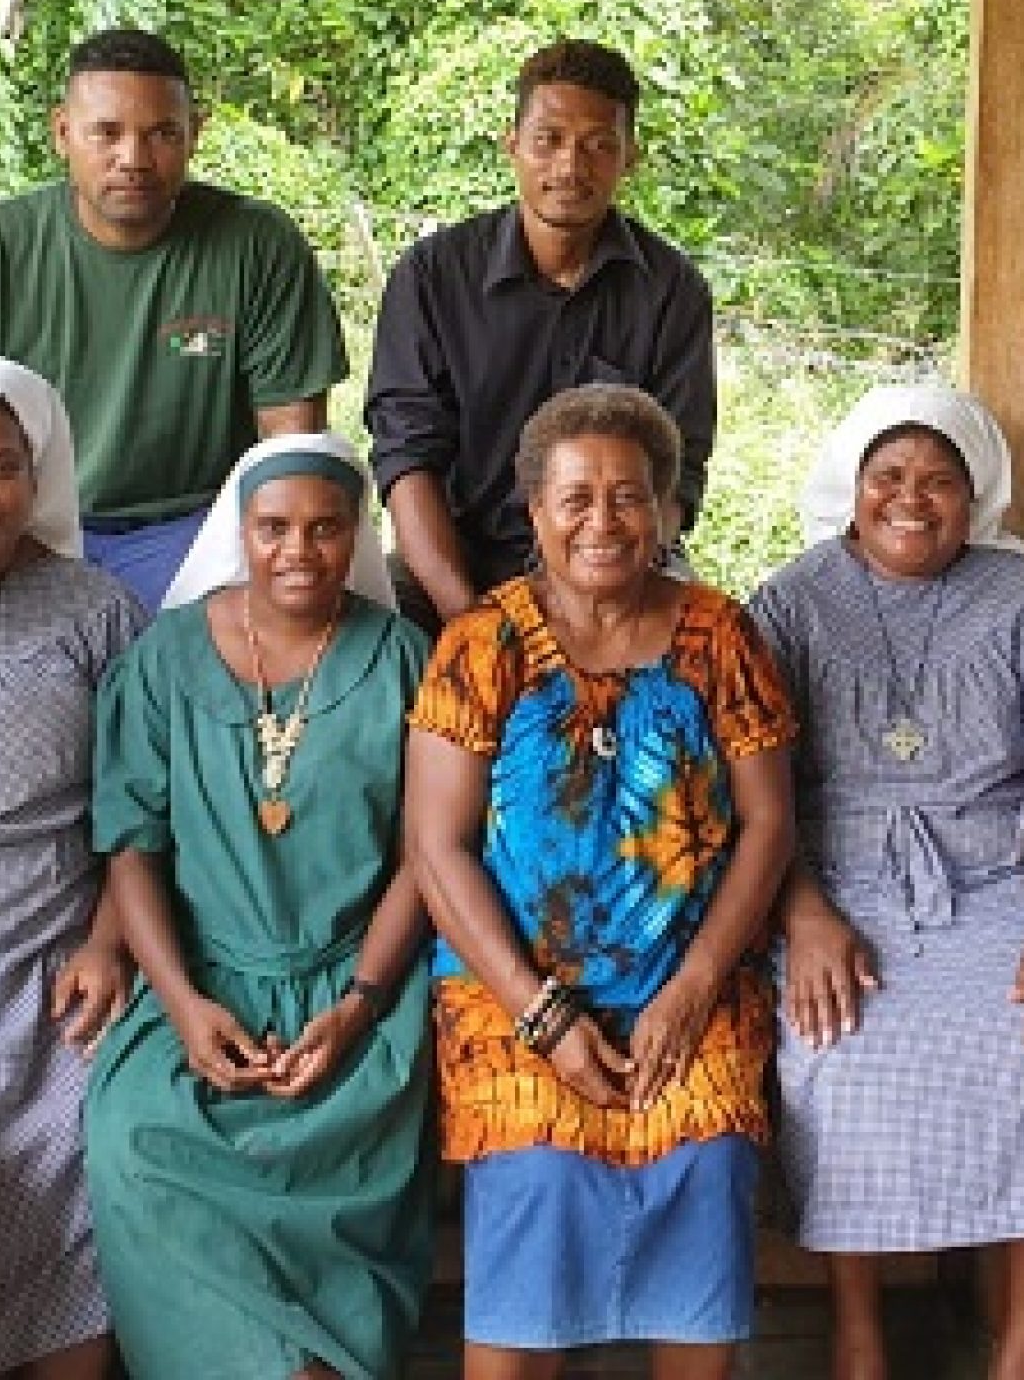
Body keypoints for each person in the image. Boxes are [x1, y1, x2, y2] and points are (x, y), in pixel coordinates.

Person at [403, 385, 796, 1378]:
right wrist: (541, 1013)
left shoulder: (719, 635)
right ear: (532, 509)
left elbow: (768, 821)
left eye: (629, 495)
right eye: (575, 497)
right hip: (513, 1002)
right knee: (534, 1172)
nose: (603, 521)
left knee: (705, 1161)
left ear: (666, 508)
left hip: (690, 991)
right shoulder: (480, 644)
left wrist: (695, 985)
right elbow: (435, 846)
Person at [749, 386, 1024, 1380]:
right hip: (837, 881)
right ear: (852, 486)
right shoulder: (789, 599)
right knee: (837, 1050)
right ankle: (857, 1329)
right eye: (889, 476)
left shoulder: (1020, 598)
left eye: (939, 479)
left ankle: (1023, 1347)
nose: (913, 499)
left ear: (974, 492)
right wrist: (806, 911)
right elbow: (754, 794)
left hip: (998, 879)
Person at [84, 434, 435, 1380]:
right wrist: (186, 1005)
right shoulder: (165, 659)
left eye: (326, 529)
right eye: (273, 527)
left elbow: (425, 859)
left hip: (360, 1000)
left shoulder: (403, 658)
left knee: (347, 1177)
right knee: (135, 1143)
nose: (299, 550)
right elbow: (132, 843)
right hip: (196, 984)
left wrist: (359, 1004)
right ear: (241, 532)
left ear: (354, 532)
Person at [0, 29, 347, 612]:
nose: (134, 159)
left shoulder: (256, 244)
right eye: (107, 133)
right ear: (63, 133)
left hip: (193, 529)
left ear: (196, 132)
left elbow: (289, 442)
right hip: (29, 523)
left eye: (162, 133)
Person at [366, 39, 716, 631]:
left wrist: (597, 601)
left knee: (698, 648)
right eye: (549, 140)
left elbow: (674, 475)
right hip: (458, 561)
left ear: (629, 157)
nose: (570, 167)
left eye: (598, 146)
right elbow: (407, 462)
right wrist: (471, 624)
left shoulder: (671, 291)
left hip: (614, 558)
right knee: (367, 637)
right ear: (514, 145)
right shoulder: (432, 277)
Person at [0, 356, 144, 1380]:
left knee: (69, 1208)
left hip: (48, 982)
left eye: (3, 466)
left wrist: (110, 937)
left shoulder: (95, 611)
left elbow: (141, 810)